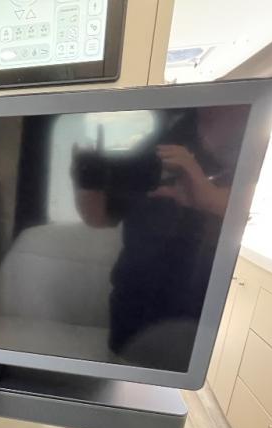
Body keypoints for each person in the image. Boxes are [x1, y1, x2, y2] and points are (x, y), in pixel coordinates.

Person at [70, 106, 250, 371]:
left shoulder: (260, 146)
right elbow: (99, 218)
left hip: (205, 325)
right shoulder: (151, 146)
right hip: (132, 317)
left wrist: (207, 195)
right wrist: (87, 180)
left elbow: (260, 217)